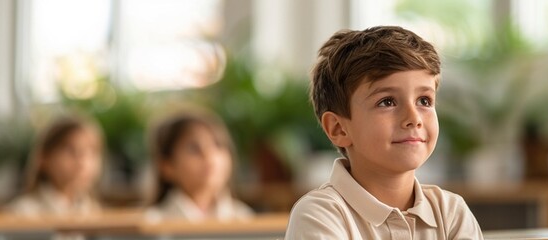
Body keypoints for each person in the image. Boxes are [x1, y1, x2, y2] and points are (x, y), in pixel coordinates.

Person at [285, 26, 483, 239]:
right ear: (339, 128)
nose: (413, 118)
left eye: (424, 100)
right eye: (387, 102)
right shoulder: (319, 215)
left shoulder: (451, 212)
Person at [145, 110, 253, 222]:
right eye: (194, 148)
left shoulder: (244, 217)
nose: (209, 155)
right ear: (166, 166)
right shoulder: (153, 222)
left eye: (218, 144)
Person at [7, 115, 104, 217]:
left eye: (91, 152)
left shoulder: (94, 212)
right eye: (71, 151)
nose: (83, 162)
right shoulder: (23, 213)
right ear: (44, 158)